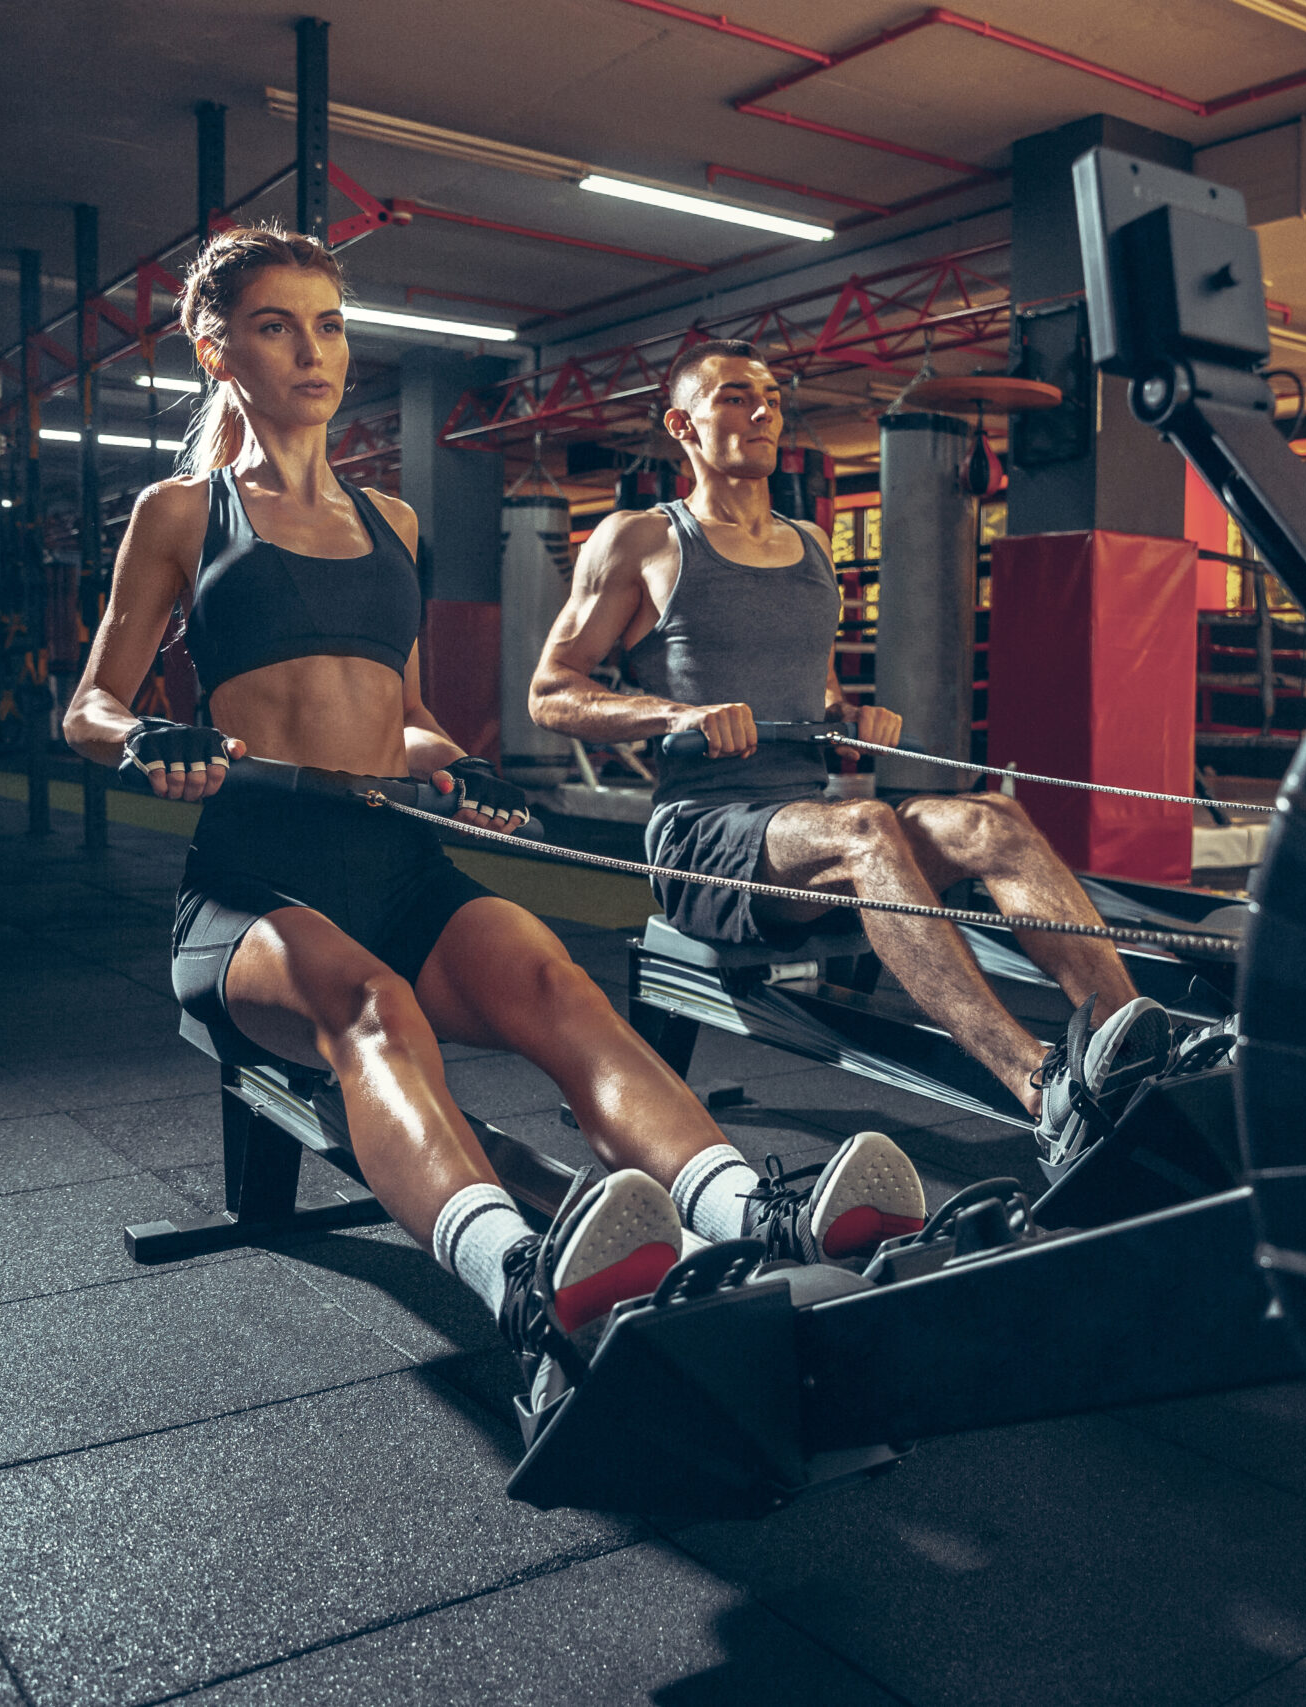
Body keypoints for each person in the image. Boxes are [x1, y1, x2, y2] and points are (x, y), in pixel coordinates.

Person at [60, 230, 923, 1410]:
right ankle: (517, 1277)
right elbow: (89, 707)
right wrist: (144, 739)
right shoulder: (180, 513)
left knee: (553, 976)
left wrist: (459, 765)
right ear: (219, 353)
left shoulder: (397, 524)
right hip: (256, 883)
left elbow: (404, 717)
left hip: (396, 861)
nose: (312, 350)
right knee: (375, 1008)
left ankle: (748, 1208)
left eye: (327, 324)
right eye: (276, 326)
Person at [528, 339, 1173, 1172]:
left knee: (994, 819)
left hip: (811, 842)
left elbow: (818, 691)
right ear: (682, 425)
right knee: (868, 827)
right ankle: (1041, 1085)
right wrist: (677, 713)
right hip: (703, 841)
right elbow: (551, 690)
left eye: (769, 396)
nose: (762, 411)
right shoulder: (640, 540)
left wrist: (848, 713)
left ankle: (1132, 1047)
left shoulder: (812, 545)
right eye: (733, 397)